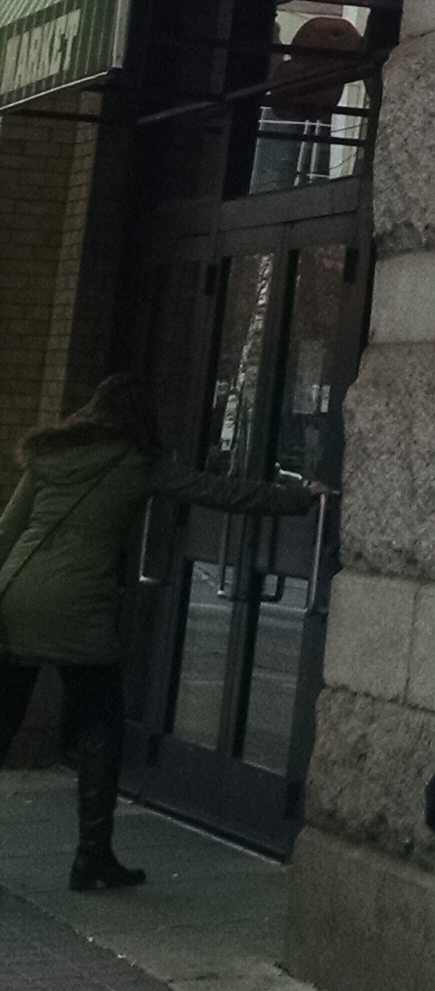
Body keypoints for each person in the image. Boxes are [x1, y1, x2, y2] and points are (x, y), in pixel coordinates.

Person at [0, 371, 321, 890]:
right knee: (101, 725)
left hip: (17, 595)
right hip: (79, 608)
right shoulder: (138, 462)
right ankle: (92, 857)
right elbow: (219, 491)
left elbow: (8, 531)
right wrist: (299, 498)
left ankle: (94, 858)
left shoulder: (50, 454)